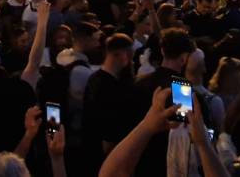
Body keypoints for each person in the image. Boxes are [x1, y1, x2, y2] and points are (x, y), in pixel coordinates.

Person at [131, 28, 195, 177]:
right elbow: (183, 131)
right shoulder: (181, 88)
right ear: (184, 57)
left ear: (162, 50)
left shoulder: (141, 82)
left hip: (139, 156)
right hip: (165, 162)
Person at [82, 33, 135, 175]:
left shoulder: (95, 79)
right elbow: (107, 126)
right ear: (122, 54)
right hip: (104, 155)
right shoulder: (106, 86)